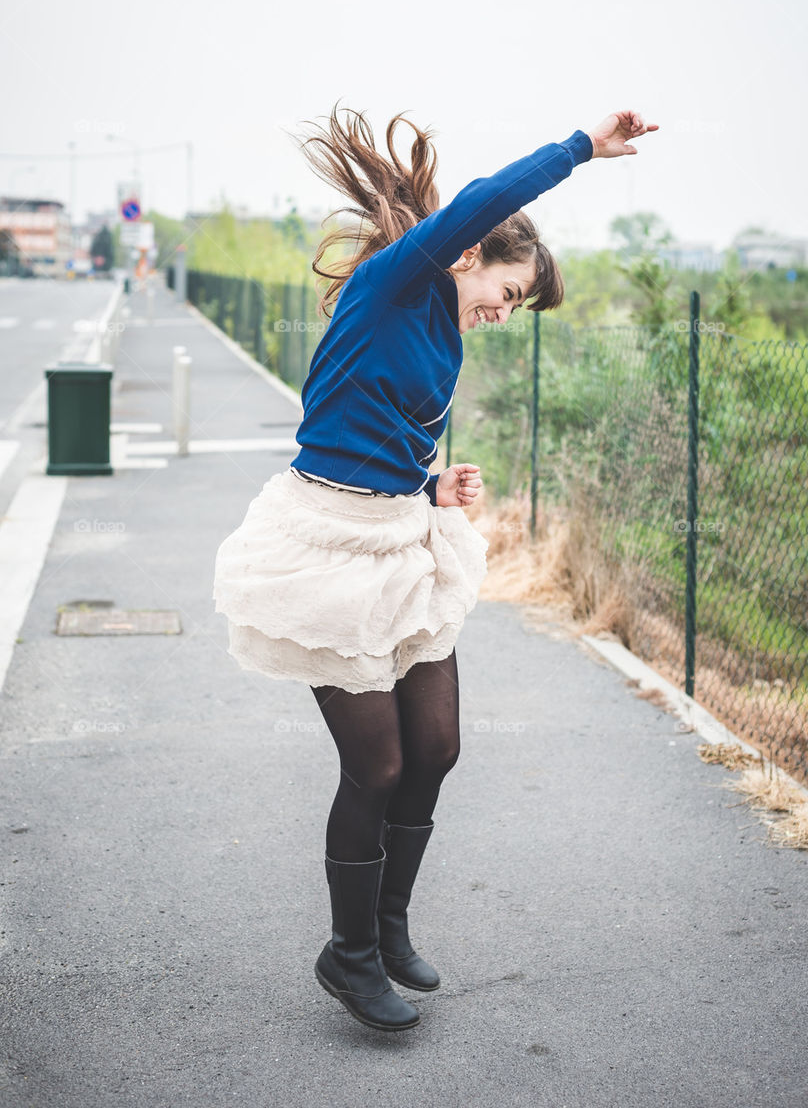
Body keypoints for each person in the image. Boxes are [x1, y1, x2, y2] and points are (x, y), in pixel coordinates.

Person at [212, 104, 659, 1033]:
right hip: (325, 550)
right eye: (509, 288)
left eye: (518, 306)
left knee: (439, 748)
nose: (506, 311)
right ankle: (349, 957)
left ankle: (389, 925)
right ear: (467, 254)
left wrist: (433, 482)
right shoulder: (394, 282)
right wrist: (585, 148)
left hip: (402, 537)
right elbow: (493, 197)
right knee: (375, 764)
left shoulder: (444, 330)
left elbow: (375, 423)